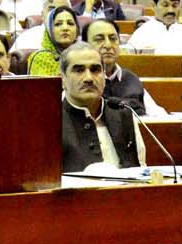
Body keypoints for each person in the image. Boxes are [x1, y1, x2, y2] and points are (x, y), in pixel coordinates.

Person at [58, 42, 145, 173]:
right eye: (79, 70)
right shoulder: (50, 121)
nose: (89, 78)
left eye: (95, 70)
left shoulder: (124, 114)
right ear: (62, 79)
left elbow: (140, 171)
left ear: (104, 76)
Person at [85, 17, 167, 115]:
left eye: (113, 39)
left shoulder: (130, 79)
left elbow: (157, 115)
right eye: (99, 39)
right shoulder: (82, 81)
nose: (108, 45)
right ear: (85, 46)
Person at [25, 2, 82, 75]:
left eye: (70, 23)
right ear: (50, 31)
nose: (65, 28)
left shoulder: (84, 57)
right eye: (58, 24)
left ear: (77, 30)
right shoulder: (40, 58)